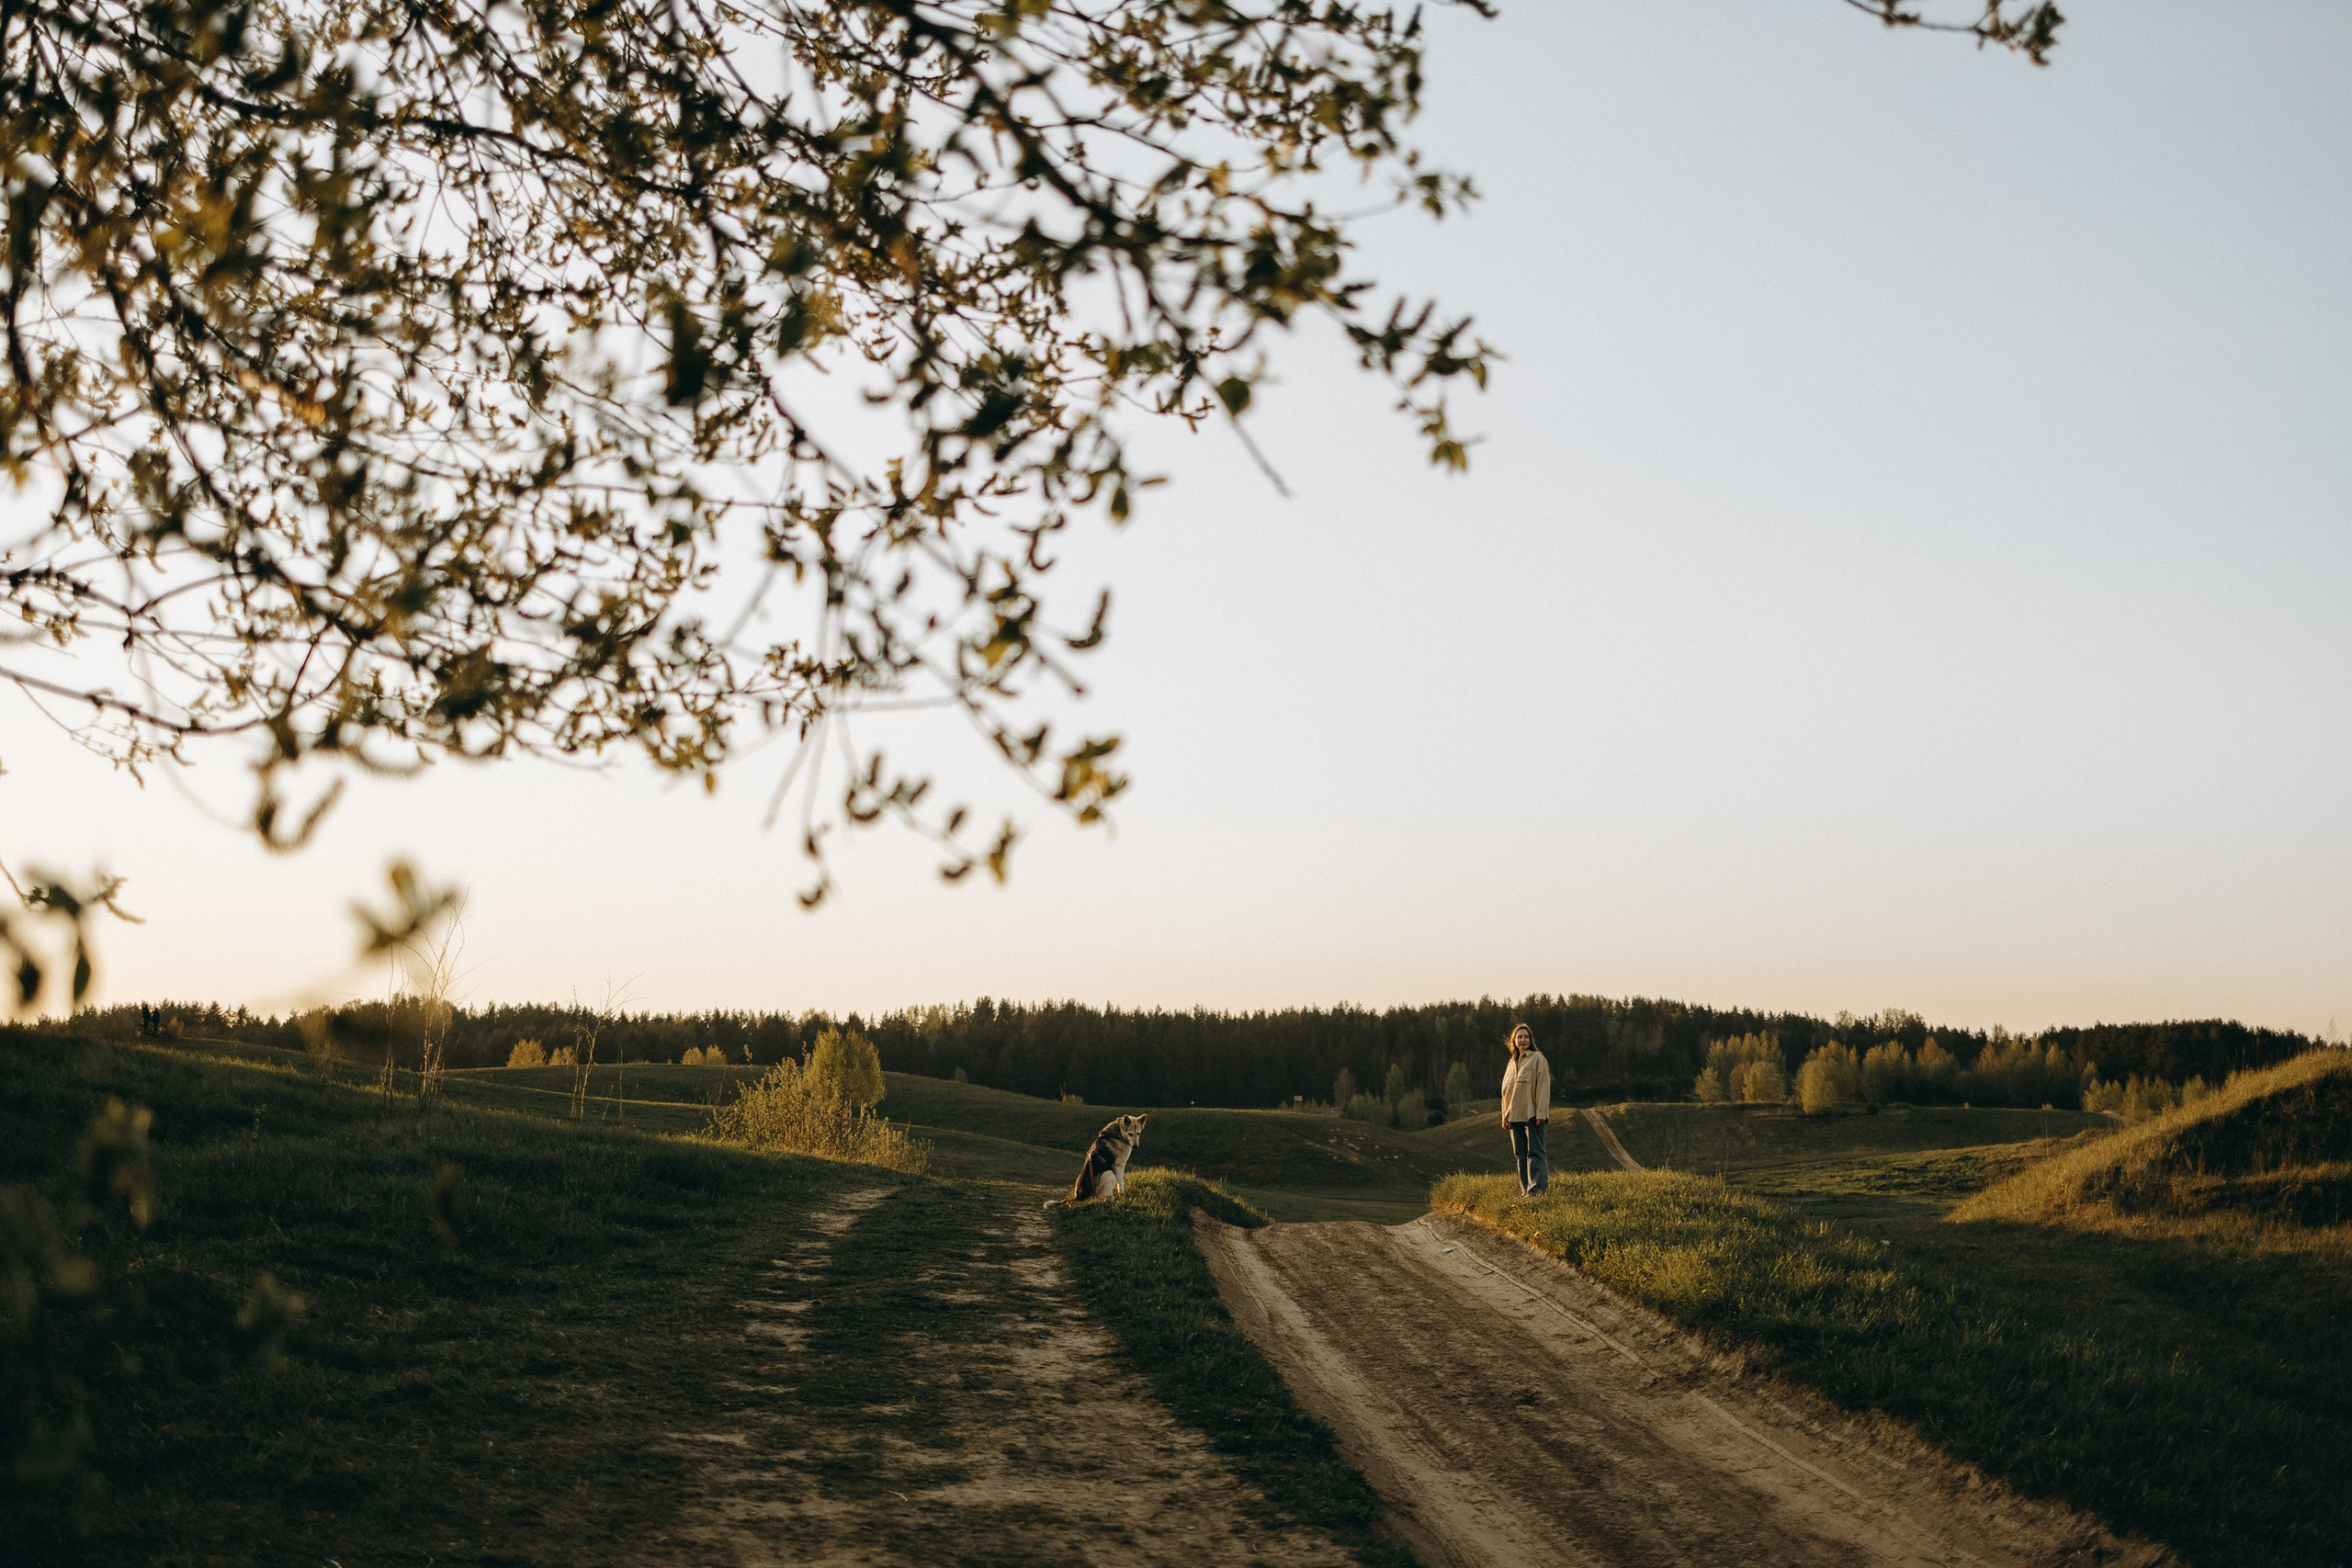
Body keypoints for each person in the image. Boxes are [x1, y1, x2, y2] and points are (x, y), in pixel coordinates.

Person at [1499, 1023, 1551, 1197]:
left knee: (1536, 1153)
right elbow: (1505, 1091)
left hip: (1532, 1113)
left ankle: (1537, 1192)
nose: (1523, 1040)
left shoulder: (1537, 1058)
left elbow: (1543, 1086)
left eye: (1526, 1037)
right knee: (1520, 1154)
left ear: (1531, 1040)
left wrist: (1541, 1113)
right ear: (1514, 1040)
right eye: (1519, 1037)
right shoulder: (1511, 1062)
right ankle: (1525, 1191)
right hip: (1514, 1115)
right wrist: (1505, 1115)